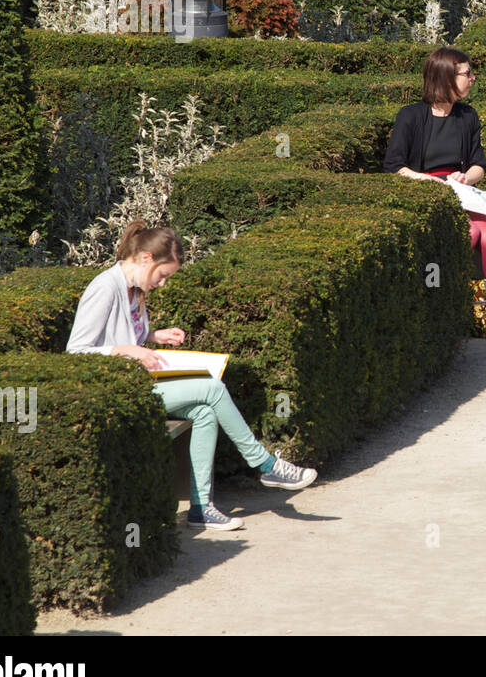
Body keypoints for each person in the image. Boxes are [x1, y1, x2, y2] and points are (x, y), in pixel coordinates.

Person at [66, 221, 317, 532]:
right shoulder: (105, 287)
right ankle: (265, 465)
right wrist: (129, 350)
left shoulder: (132, 287)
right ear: (146, 258)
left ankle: (201, 508)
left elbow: (125, 335)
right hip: (119, 391)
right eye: (163, 275)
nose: (163, 284)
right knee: (211, 388)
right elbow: (76, 352)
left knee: (204, 411)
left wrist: (154, 335)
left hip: (137, 383)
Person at [383, 47, 486, 339]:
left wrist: (465, 177)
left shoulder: (467, 116)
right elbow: (393, 167)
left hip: (461, 190)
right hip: (425, 190)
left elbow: (479, 165)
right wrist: (429, 181)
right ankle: (449, 311)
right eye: (467, 73)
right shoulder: (411, 117)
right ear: (446, 78)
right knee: (470, 235)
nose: (473, 78)